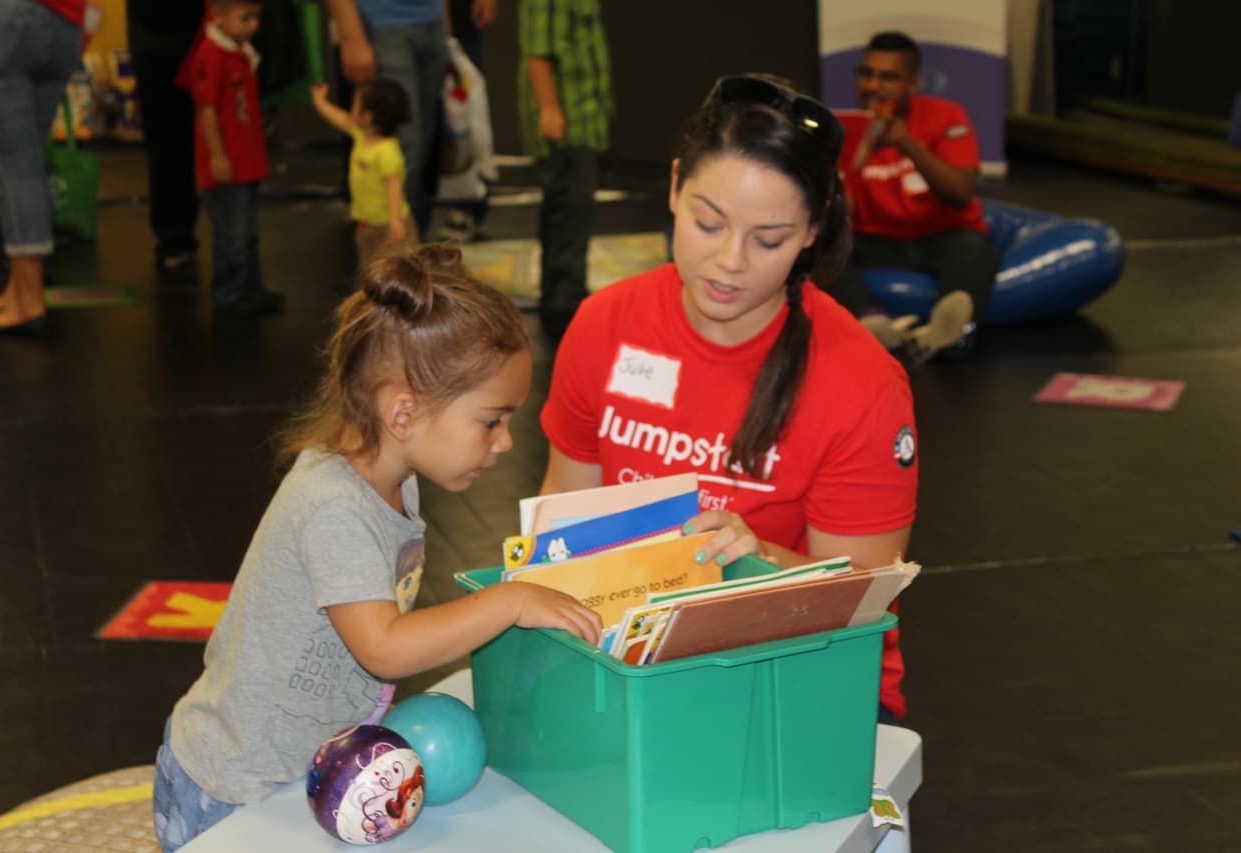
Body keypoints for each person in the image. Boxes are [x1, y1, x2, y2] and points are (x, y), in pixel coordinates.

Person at [151, 242, 602, 852]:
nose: (505, 444)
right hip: (236, 790)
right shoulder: (334, 505)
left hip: (307, 775)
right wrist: (508, 602)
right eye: (491, 421)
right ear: (404, 413)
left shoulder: (392, 482)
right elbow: (384, 648)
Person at [539, 74, 916, 723]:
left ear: (811, 231)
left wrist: (759, 559)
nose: (729, 260)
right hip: (630, 659)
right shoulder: (606, 325)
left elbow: (860, 600)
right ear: (675, 185)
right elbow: (563, 528)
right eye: (707, 222)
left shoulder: (864, 384)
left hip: (804, 677)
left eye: (768, 239)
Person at [826, 30, 998, 366]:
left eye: (888, 77)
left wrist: (906, 143)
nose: (873, 86)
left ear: (913, 84)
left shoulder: (947, 116)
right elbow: (842, 217)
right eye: (866, 74)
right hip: (875, 240)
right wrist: (850, 163)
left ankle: (948, 331)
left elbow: (961, 195)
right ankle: (873, 322)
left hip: (942, 235)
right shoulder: (845, 129)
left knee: (976, 249)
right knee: (824, 246)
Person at [0, 0, 84, 335]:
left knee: (13, 169)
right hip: (64, 26)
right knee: (26, 165)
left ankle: (28, 303)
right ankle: (19, 290)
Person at [519, 0, 613, 347]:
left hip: (585, 117)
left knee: (572, 209)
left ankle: (564, 296)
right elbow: (536, 49)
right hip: (567, 121)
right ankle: (564, 304)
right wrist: (549, 108)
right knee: (568, 212)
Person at [187, 0, 285, 316]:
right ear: (219, 16)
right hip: (227, 166)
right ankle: (229, 293)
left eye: (257, 17)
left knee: (247, 233)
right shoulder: (211, 55)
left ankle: (250, 288)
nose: (254, 25)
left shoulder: (240, 52)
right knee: (231, 234)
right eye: (245, 18)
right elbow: (206, 110)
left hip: (246, 163)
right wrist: (217, 156)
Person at [323, 0, 451, 236]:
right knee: (404, 148)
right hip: (383, 24)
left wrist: (443, 17)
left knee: (421, 144)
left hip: (431, 22)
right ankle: (394, 249)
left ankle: (409, 245)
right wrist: (352, 35)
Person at [126, 0, 205, 288]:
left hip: (206, 25)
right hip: (155, 32)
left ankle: (235, 249)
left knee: (228, 138)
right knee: (166, 141)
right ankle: (175, 238)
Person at [311, 78, 418, 266]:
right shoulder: (361, 136)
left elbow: (394, 187)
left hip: (389, 227)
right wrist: (319, 100)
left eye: (355, 104)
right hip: (367, 225)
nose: (350, 109)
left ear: (367, 116)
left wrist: (395, 222)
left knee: (397, 272)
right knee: (370, 271)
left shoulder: (387, 152)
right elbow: (338, 117)